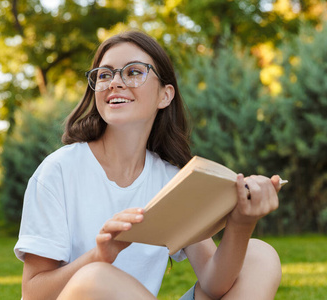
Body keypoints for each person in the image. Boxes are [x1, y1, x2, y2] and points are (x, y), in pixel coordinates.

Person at [14, 30, 282, 300]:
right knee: (94, 278)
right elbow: (33, 292)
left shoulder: (172, 180)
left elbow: (214, 283)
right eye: (105, 74)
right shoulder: (58, 171)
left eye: (133, 72)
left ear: (165, 96)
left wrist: (241, 224)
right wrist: (100, 256)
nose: (115, 82)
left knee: (260, 256)